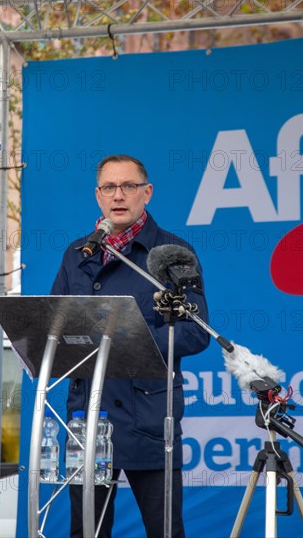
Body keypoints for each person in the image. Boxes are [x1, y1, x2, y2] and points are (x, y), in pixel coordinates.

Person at [51, 154, 210, 537]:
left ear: (147, 193)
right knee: (85, 531)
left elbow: (196, 332)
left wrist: (129, 340)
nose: (118, 195)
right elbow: (52, 327)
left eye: (128, 186)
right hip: (87, 417)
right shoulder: (78, 254)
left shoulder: (172, 254)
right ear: (98, 195)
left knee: (164, 530)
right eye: (109, 187)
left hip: (149, 417)